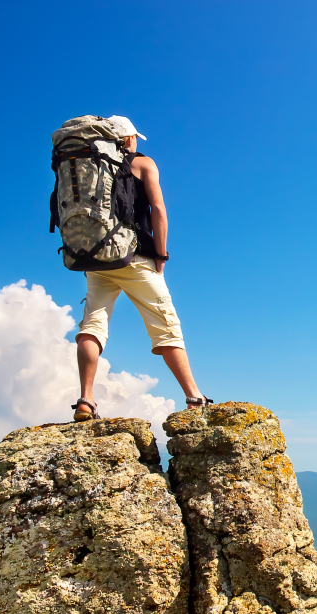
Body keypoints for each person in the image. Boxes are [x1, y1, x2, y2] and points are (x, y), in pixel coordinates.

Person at [71, 116, 209, 421]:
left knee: (93, 325)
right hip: (134, 257)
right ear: (128, 139)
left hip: (96, 257)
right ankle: (194, 397)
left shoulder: (90, 167)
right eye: (134, 137)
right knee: (166, 325)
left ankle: (85, 399)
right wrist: (161, 254)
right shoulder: (143, 164)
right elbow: (158, 209)